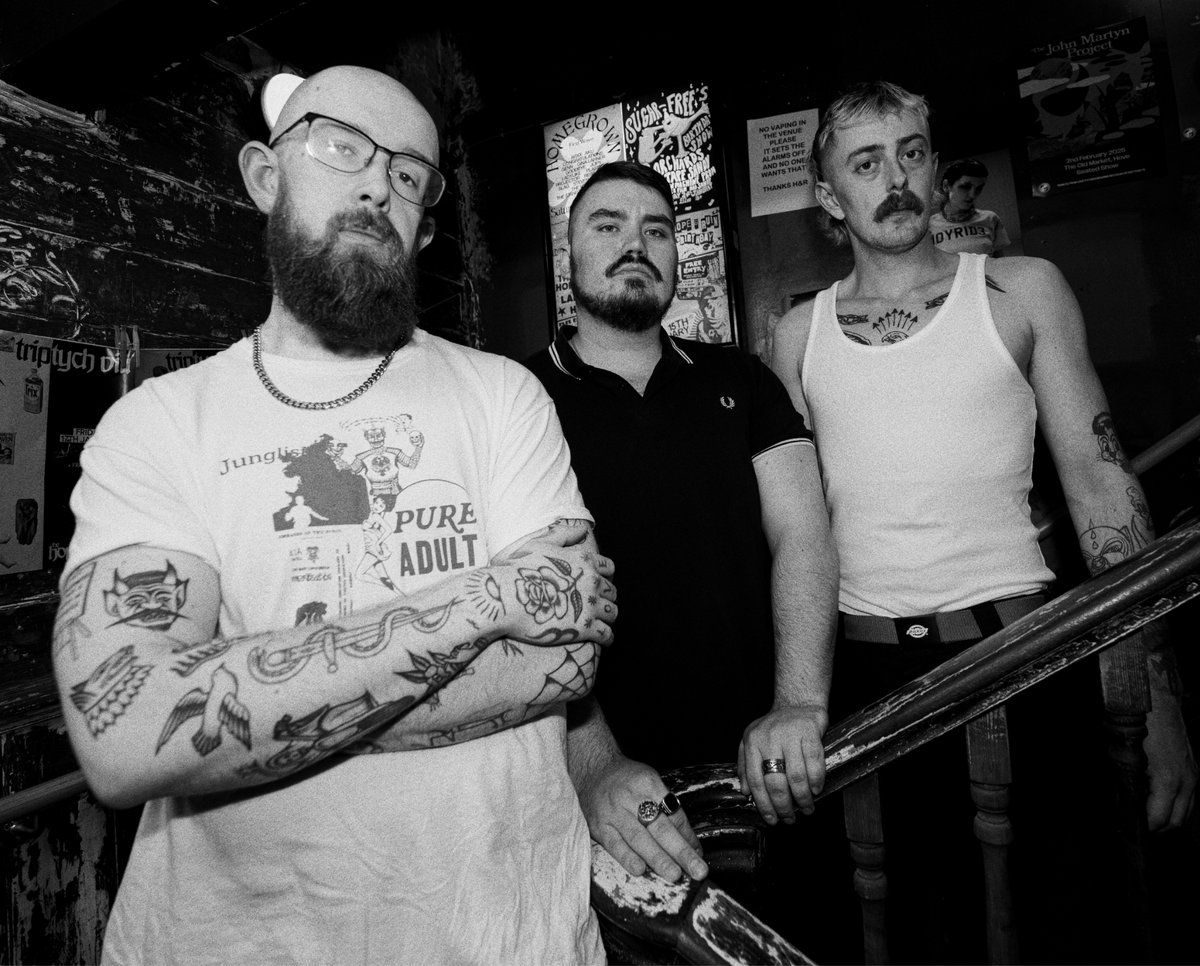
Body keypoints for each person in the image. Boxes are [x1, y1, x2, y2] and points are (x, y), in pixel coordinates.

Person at [51, 65, 618, 965]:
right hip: (240, 944)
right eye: (340, 147)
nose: (375, 185)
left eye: (408, 175)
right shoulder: (159, 423)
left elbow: (567, 657)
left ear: (423, 227)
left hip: (507, 932)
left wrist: (254, 712)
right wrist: (487, 600)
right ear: (265, 175)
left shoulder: (502, 395)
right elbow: (128, 735)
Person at [771, 79, 1197, 961]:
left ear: (935, 167)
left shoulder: (1021, 291)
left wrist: (1158, 700)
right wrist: (795, 696)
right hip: (869, 683)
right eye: (866, 163)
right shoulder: (795, 335)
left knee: (1057, 925)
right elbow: (793, 534)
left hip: (1023, 657)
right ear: (829, 198)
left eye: (911, 154)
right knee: (913, 937)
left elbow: (1102, 490)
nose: (896, 180)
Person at [525, 161, 838, 886]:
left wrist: (798, 703)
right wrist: (594, 763)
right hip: (607, 791)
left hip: (768, 765)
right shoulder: (520, 396)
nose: (635, 244)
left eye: (657, 230)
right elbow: (527, 603)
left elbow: (804, 535)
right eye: (608, 226)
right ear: (570, 254)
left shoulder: (741, 379)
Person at [927, 157, 1011, 256]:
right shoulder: (929, 226)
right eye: (965, 187)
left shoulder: (991, 219)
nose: (972, 195)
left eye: (978, 188)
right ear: (946, 186)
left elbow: (999, 260)